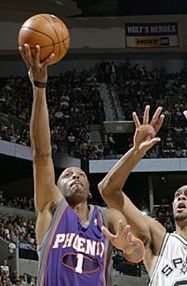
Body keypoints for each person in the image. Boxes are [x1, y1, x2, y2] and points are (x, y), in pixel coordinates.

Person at [19, 44, 144, 286]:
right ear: (56, 185)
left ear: (89, 190)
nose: (75, 177)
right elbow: (42, 154)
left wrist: (128, 249)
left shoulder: (107, 217)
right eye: (67, 175)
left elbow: (138, 254)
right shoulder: (51, 208)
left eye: (80, 175)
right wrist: (39, 88)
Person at [98, 87, 187, 285]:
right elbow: (108, 190)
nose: (181, 197)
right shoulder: (158, 239)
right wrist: (136, 151)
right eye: (178, 195)